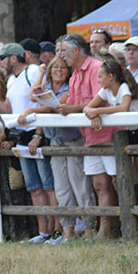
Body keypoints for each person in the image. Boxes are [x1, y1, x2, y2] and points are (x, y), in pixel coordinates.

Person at [84, 56, 138, 242]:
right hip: (134, 135)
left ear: (111, 76)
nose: (98, 80)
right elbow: (88, 107)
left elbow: (124, 107)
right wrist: (93, 113)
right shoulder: (106, 91)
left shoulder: (123, 88)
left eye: (100, 76)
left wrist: (97, 112)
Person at [18, 54, 94, 242]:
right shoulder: (48, 88)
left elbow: (57, 106)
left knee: (80, 185)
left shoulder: (70, 88)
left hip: (73, 140)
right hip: (56, 142)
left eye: (62, 67)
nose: (59, 70)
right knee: (62, 188)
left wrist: (30, 110)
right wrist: (41, 73)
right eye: (55, 67)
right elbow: (32, 95)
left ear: (68, 71)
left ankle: (89, 227)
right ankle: (67, 229)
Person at [0, 43, 57, 243]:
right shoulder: (11, 80)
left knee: (48, 186)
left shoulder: (33, 71)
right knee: (34, 187)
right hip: (21, 136)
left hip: (36, 133)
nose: (1, 62)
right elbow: (8, 109)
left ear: (13, 58)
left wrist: (39, 134)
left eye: (3, 58)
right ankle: (44, 232)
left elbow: (39, 101)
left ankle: (57, 230)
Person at [57, 34, 117, 239]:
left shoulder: (95, 68)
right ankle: (105, 229)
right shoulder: (75, 74)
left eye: (64, 51)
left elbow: (100, 99)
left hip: (107, 133)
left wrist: (71, 108)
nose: (61, 56)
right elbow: (73, 103)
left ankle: (125, 226)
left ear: (75, 51)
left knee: (119, 181)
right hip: (90, 136)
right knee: (99, 184)